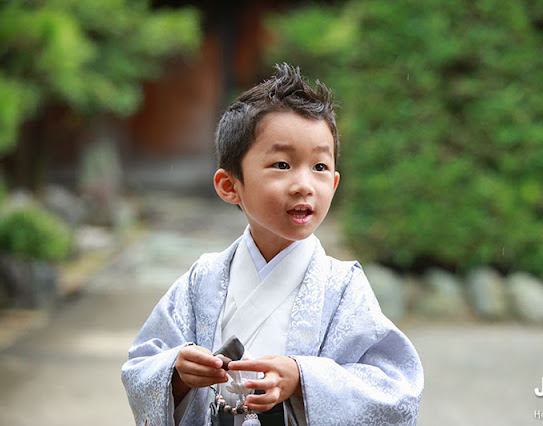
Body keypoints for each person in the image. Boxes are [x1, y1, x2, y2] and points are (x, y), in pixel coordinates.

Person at [122, 63, 424, 426]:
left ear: (335, 182)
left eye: (320, 167)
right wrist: (176, 371)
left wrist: (303, 379)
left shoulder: (342, 287)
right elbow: (140, 364)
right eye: (282, 164)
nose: (304, 184)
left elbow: (396, 391)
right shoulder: (201, 280)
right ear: (229, 185)